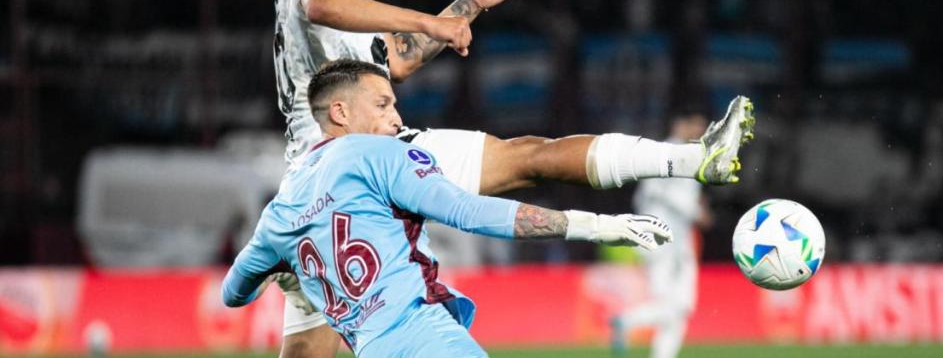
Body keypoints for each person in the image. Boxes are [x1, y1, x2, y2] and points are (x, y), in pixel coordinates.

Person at [272, 0, 756, 355]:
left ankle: (695, 159)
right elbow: (320, 2)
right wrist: (426, 20)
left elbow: (397, 58)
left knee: (308, 349)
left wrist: (471, 3)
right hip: (356, 170)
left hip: (326, 185)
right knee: (528, 158)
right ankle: (694, 158)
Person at [222, 59, 674, 357]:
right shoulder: (376, 153)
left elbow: (233, 293)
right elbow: (468, 212)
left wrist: (284, 275)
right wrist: (595, 225)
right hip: (425, 339)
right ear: (340, 113)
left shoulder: (279, 213)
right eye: (382, 104)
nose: (397, 118)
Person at [610, 111, 714, 358]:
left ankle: (628, 323)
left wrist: (695, 208)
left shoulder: (691, 155)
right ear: (679, 124)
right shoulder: (662, 153)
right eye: (695, 125)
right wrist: (696, 211)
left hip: (680, 243)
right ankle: (626, 321)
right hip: (658, 242)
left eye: (702, 127)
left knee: (683, 307)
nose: (699, 132)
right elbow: (655, 191)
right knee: (671, 305)